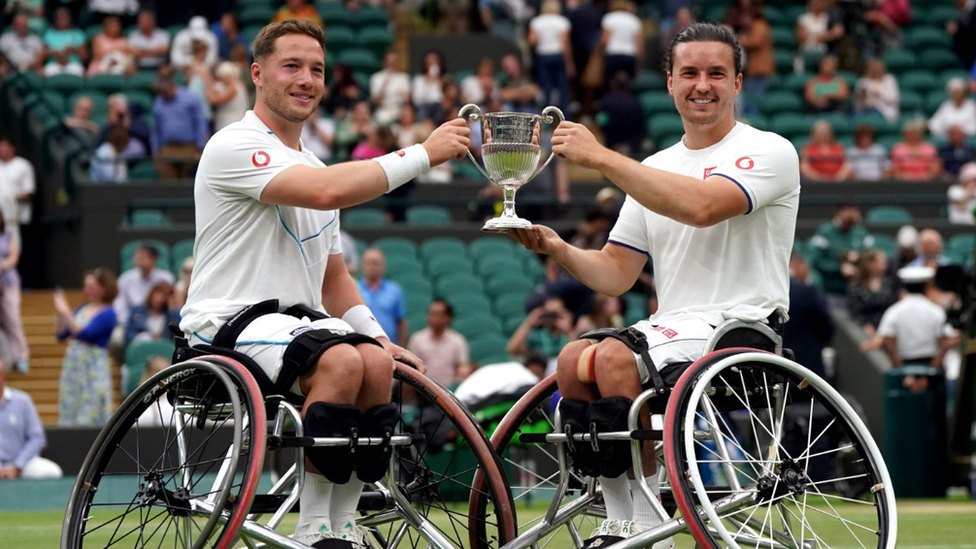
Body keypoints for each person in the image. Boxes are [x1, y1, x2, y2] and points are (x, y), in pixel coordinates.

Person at [177, 20, 469, 548]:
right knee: (340, 359)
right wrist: (422, 154)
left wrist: (377, 335)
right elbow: (327, 191)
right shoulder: (233, 144)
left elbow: (334, 277)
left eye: (316, 69)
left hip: (297, 329)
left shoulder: (314, 164)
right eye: (292, 66)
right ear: (258, 74)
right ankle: (315, 531)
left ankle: (344, 525)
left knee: (374, 361)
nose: (307, 79)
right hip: (224, 327)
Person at [508, 23, 799, 549]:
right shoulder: (654, 168)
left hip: (743, 328)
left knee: (616, 360)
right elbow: (616, 274)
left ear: (738, 82)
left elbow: (703, 206)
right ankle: (622, 519)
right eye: (689, 73)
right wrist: (559, 249)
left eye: (716, 73)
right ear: (669, 82)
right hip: (672, 330)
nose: (702, 85)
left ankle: (646, 529)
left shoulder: (770, 150)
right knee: (573, 358)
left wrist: (601, 158)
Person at [54, 268, 118, 427]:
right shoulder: (81, 309)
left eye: (92, 286)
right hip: (75, 366)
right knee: (71, 403)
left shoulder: (108, 313)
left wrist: (65, 311)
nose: (87, 290)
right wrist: (59, 314)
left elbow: (85, 333)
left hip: (93, 364)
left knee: (92, 403)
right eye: (86, 286)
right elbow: (61, 335)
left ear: (104, 288)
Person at [878, 266, 958, 391]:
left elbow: (887, 341)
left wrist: (904, 374)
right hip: (930, 367)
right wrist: (930, 373)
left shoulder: (894, 311)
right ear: (927, 285)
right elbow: (945, 342)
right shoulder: (936, 311)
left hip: (904, 367)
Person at [0, 364, 63, 479]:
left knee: (51, 472)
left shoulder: (22, 401)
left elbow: (37, 437)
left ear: (4, 377)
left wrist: (18, 466)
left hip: (22, 463)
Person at [783, 252, 833, 380]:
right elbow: (827, 329)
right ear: (798, 265)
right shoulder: (807, 292)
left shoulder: (766, 293)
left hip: (772, 370)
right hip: (807, 368)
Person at [807, 203, 874, 296]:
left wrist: (859, 257)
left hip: (858, 290)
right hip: (831, 288)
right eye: (848, 214)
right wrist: (839, 269)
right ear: (838, 213)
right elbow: (815, 261)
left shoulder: (861, 233)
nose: (851, 217)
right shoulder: (825, 233)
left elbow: (871, 256)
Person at [151, 74, 210, 179]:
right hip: (167, 148)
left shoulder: (192, 98)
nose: (164, 95)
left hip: (188, 147)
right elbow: (156, 129)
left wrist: (200, 147)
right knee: (168, 183)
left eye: (165, 92)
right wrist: (156, 151)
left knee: (187, 183)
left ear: (171, 86)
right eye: (161, 93)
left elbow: (200, 123)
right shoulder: (158, 103)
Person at [406, 298, 469, 387]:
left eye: (436, 314)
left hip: (449, 389)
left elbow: (461, 367)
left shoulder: (457, 340)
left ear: (447, 318)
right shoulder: (417, 339)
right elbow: (411, 367)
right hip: (423, 388)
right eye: (430, 313)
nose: (432, 317)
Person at [528, 0, 574, 118]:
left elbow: (532, 41)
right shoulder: (562, 22)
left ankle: (545, 119)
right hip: (558, 55)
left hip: (543, 56)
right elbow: (566, 45)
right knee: (562, 88)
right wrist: (569, 64)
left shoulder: (537, 22)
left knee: (546, 88)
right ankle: (565, 118)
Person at [113, 244, 176, 325]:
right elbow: (119, 304)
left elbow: (171, 306)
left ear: (154, 259)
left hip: (160, 323)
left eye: (142, 256)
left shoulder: (166, 278)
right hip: (131, 322)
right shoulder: (125, 278)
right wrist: (129, 322)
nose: (138, 258)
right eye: (137, 256)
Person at [357, 248, 408, 345]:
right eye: (369, 263)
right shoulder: (354, 289)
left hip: (390, 345)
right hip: (361, 346)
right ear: (362, 266)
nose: (373, 266)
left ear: (383, 266)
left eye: (376, 263)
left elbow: (401, 322)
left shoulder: (395, 290)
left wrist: (402, 346)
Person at [845, 248, 898, 342]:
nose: (884, 265)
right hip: (864, 333)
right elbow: (856, 312)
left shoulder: (890, 283)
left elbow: (894, 307)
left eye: (885, 262)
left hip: (889, 331)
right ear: (869, 264)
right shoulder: (856, 287)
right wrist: (869, 330)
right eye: (881, 262)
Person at [0, 209, 29, 373]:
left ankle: (22, 356)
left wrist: (1, 266)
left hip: (8, 283)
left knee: (12, 320)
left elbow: (14, 256)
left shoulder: (8, 235)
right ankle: (6, 360)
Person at [506, 295, 575, 360]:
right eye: (549, 313)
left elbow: (575, 353)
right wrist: (528, 323)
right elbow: (512, 349)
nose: (552, 318)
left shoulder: (568, 336)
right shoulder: (537, 336)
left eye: (555, 314)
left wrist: (569, 330)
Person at [124, 281, 179, 346]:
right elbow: (128, 332)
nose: (159, 299)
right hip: (139, 346)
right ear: (152, 293)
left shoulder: (169, 316)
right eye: (158, 294)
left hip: (160, 347)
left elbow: (173, 336)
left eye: (163, 297)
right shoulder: (137, 310)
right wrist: (143, 338)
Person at [600, 0, 642, 83]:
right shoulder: (634, 20)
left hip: (612, 54)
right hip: (629, 55)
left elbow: (604, 41)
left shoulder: (609, 18)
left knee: (610, 82)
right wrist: (639, 60)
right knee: (629, 83)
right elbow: (639, 44)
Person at [0, 138, 35, 237]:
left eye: (4, 147)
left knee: (15, 248)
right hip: (1, 220)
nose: (1, 150)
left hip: (17, 218)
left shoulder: (23, 165)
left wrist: (11, 199)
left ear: (12, 148)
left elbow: (29, 191)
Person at [40, 7, 87, 77]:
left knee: (78, 70)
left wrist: (73, 50)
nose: (62, 21)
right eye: (59, 18)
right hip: (54, 64)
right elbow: (42, 56)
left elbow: (85, 57)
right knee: (48, 71)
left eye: (64, 18)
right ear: (55, 20)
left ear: (70, 19)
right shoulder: (49, 34)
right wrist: (52, 52)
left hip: (72, 64)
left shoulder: (77, 34)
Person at [369, 51, 411, 126]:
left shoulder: (404, 78)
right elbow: (376, 102)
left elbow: (408, 99)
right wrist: (383, 87)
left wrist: (404, 95)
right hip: (383, 110)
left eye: (394, 61)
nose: (392, 64)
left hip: (399, 110)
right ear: (384, 62)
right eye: (389, 62)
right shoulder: (376, 78)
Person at [853, 57, 899, 123]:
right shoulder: (862, 82)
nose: (873, 69)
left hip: (884, 112)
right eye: (870, 67)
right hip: (865, 111)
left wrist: (877, 90)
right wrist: (862, 97)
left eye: (875, 67)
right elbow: (857, 105)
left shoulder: (889, 80)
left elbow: (893, 98)